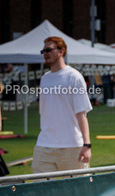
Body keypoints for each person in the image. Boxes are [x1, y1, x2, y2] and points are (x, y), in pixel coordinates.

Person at [32, 36, 92, 173]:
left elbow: (81, 113)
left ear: (61, 51)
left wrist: (87, 145)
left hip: (72, 147)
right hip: (44, 144)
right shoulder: (44, 79)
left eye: (49, 50)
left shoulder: (74, 77)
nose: (45, 53)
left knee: (77, 186)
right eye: (43, 51)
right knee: (40, 185)